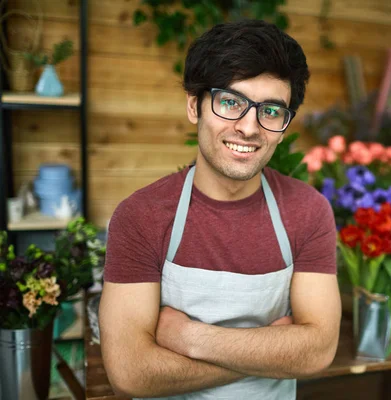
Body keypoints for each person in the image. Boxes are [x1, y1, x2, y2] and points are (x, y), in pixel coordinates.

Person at [98, 19, 341, 400]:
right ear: (195, 106)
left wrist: (190, 337)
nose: (249, 128)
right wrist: (274, 352)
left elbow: (318, 350)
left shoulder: (308, 212)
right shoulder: (141, 216)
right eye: (231, 102)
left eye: (272, 111)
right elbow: (130, 373)